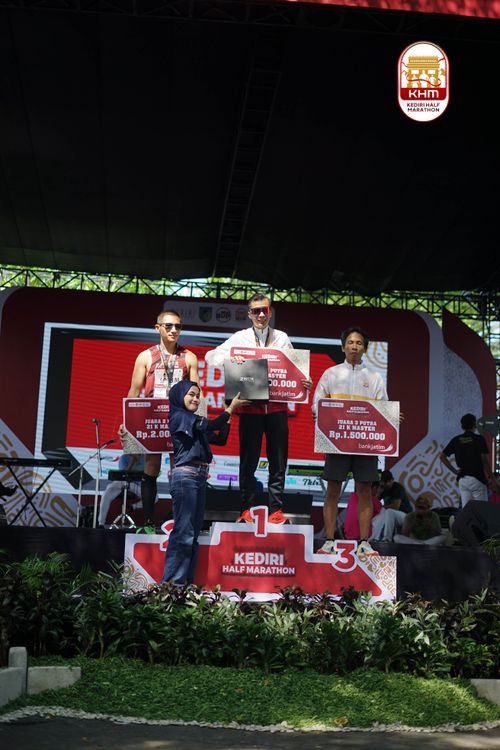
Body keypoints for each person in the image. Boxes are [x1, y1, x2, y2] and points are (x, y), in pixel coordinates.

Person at [204, 293, 312, 525]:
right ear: (249, 314)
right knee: (248, 463)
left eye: (265, 310)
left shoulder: (282, 337)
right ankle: (246, 510)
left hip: (276, 409)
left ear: (270, 312)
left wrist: (304, 381)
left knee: (278, 463)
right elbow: (210, 356)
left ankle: (276, 511)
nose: (261, 314)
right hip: (250, 410)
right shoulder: (240, 337)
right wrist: (231, 358)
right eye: (256, 311)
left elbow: (294, 368)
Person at [161, 380, 249, 586]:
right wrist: (230, 409)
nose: (195, 399)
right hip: (186, 477)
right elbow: (213, 425)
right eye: (191, 394)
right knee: (184, 531)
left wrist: (229, 415)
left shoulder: (192, 420)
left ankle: (185, 583)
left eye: (197, 395)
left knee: (192, 533)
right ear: (179, 396)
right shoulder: (179, 416)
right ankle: (171, 584)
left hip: (199, 477)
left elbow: (220, 439)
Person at [312, 326, 388, 557]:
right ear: (343, 347)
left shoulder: (374, 377)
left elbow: (384, 407)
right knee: (333, 489)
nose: (354, 346)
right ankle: (329, 541)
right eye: (351, 342)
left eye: (359, 343)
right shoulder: (331, 374)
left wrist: (392, 417)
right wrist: (322, 413)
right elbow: (316, 404)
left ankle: (364, 543)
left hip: (365, 445)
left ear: (365, 348)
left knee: (364, 490)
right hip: (337, 442)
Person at [123, 309, 199, 532]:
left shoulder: (189, 357)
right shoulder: (145, 356)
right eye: (169, 326)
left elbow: (197, 392)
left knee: (180, 470)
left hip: (179, 420)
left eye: (178, 326)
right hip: (152, 419)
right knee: (151, 466)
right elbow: (134, 391)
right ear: (158, 328)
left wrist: (198, 423)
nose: (174, 330)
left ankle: (180, 522)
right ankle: (148, 524)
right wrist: (128, 422)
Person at [439, 413, 493, 507]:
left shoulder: (456, 440)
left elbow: (442, 456)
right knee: (481, 509)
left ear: (462, 426)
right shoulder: (479, 439)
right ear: (474, 425)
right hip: (477, 478)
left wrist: (455, 471)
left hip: (463, 480)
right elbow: (484, 460)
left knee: (466, 509)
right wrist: (492, 478)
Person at [97, 453, 144, 527]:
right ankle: (101, 523)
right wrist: (132, 462)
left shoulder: (144, 458)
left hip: (136, 484)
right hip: (121, 481)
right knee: (107, 494)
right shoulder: (124, 457)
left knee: (154, 498)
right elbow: (123, 474)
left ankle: (132, 507)